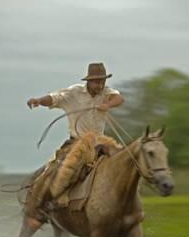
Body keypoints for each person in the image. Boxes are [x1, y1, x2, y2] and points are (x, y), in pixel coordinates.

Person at [24, 62, 125, 221]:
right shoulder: (74, 93)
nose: (100, 85)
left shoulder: (107, 92)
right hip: (77, 142)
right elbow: (53, 98)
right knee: (63, 169)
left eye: (102, 81)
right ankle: (52, 200)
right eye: (97, 81)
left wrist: (107, 104)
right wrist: (38, 100)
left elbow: (119, 98)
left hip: (100, 143)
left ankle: (122, 203)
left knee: (123, 163)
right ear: (88, 81)